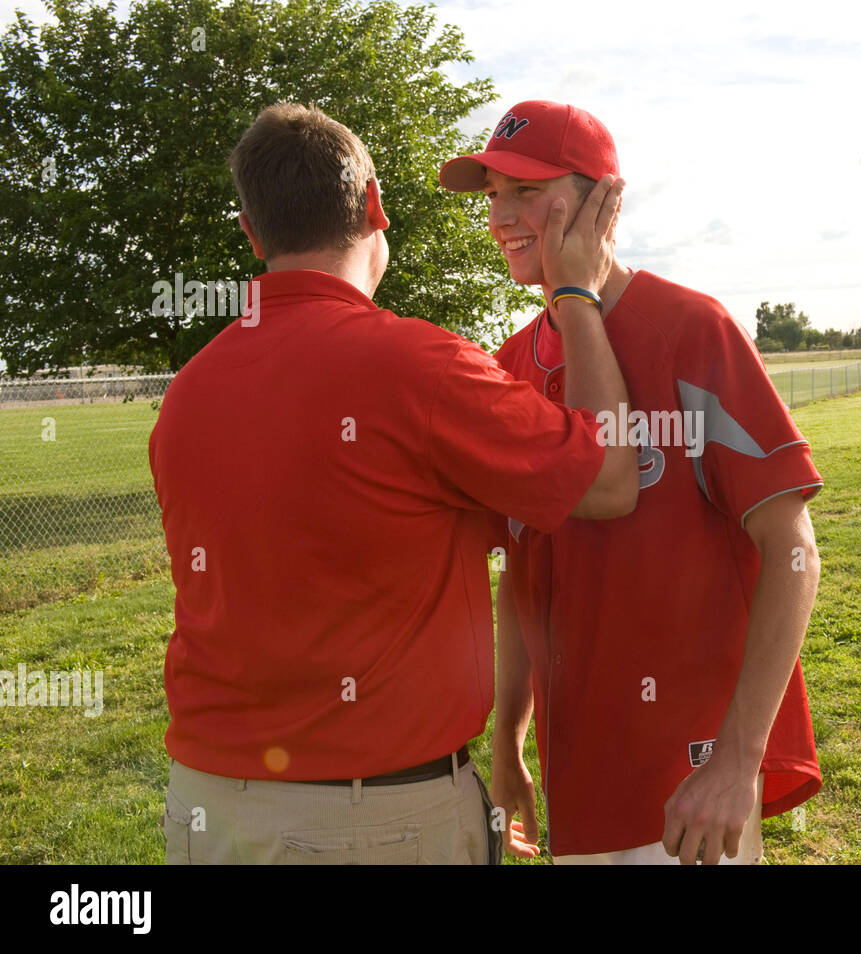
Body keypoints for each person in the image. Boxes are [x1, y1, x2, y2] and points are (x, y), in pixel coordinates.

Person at [149, 102, 636, 864]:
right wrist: (574, 293)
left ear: (252, 233)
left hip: (207, 807)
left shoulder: (189, 391)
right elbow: (610, 479)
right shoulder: (422, 367)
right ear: (374, 207)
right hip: (372, 818)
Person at [439, 100, 823, 865]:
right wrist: (512, 741)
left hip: (689, 781)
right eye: (493, 195)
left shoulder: (690, 330)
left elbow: (793, 552)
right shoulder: (510, 364)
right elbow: (520, 572)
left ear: (602, 199)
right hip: (580, 776)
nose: (501, 215)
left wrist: (737, 762)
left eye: (525, 189)